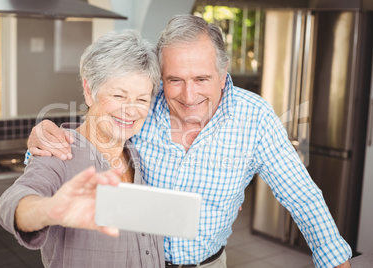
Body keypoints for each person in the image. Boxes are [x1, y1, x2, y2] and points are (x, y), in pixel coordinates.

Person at [27, 15, 352, 268]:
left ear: (223, 72)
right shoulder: (143, 106)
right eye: (175, 80)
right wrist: (44, 142)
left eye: (201, 79)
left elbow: (302, 196)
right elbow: (89, 135)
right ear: (160, 78)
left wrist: (336, 260)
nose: (189, 95)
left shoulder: (254, 118)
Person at [0, 29, 165, 268]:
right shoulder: (59, 152)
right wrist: (49, 209)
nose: (131, 110)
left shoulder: (137, 153)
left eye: (142, 99)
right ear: (89, 91)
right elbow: (14, 201)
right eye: (119, 95)